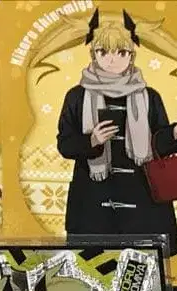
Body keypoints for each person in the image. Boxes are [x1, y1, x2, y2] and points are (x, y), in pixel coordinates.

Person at [55, 9, 177, 253]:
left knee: (145, 267)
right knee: (94, 266)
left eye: (121, 52)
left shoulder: (149, 96)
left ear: (131, 56)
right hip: (93, 202)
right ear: (93, 54)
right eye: (104, 52)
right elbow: (64, 144)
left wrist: (173, 134)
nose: (112, 59)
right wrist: (91, 141)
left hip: (143, 203)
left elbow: (159, 146)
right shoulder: (77, 96)